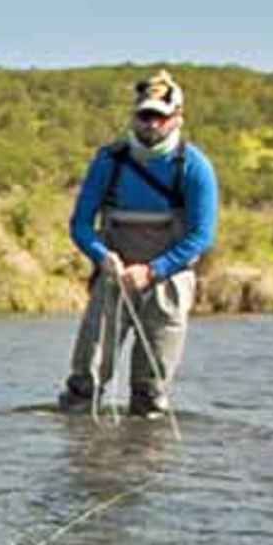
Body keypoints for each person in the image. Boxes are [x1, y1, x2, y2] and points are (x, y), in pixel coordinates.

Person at [58, 71, 219, 417]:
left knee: (150, 391)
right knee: (85, 381)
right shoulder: (108, 161)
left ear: (177, 118)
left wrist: (153, 270)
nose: (151, 124)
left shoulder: (195, 167)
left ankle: (144, 458)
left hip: (168, 278)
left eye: (159, 117)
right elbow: (81, 225)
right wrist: (102, 257)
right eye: (144, 116)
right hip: (114, 275)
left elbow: (202, 236)